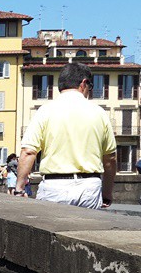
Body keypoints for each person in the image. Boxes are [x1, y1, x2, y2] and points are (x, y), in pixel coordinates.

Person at [17, 62, 117, 209]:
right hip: (89, 187)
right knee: (86, 232)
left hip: (54, 187)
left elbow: (28, 152)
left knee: (48, 230)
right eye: (90, 87)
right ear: (84, 83)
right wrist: (107, 192)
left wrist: (19, 187)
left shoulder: (45, 111)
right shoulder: (99, 113)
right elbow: (110, 158)